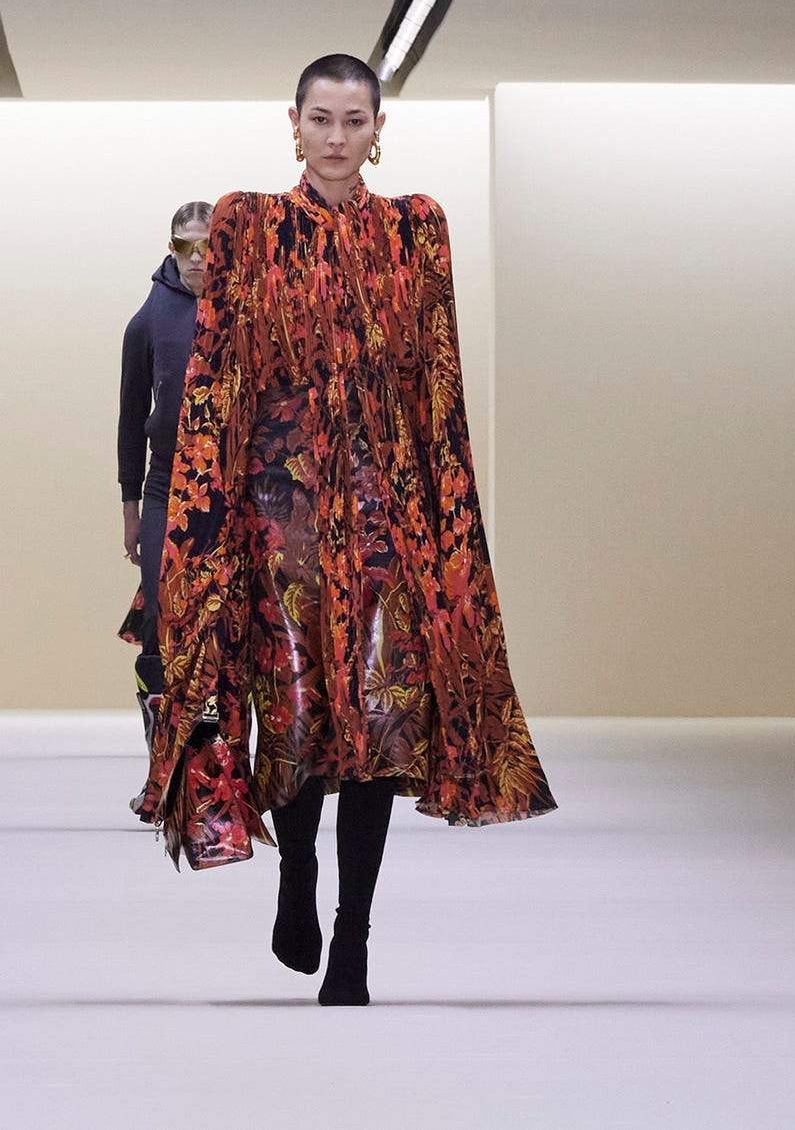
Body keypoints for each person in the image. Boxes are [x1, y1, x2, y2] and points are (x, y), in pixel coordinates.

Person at [135, 55, 557, 1004]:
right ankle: (296, 880)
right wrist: (202, 525)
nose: (335, 137)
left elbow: (438, 384)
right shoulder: (246, 222)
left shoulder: (418, 229)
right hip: (276, 515)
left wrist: (448, 526)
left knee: (376, 720)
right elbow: (216, 374)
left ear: (378, 127)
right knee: (290, 714)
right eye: (319, 118)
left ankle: (356, 936)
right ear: (294, 123)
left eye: (353, 119)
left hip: (384, 515)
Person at [116, 200, 214, 811]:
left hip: (229, 489)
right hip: (162, 489)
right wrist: (129, 508)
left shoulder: (245, 311)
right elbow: (131, 421)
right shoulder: (148, 321)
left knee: (222, 630)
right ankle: (162, 771)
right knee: (159, 616)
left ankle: (216, 775)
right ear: (171, 247)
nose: (198, 259)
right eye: (186, 247)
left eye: (208, 246)